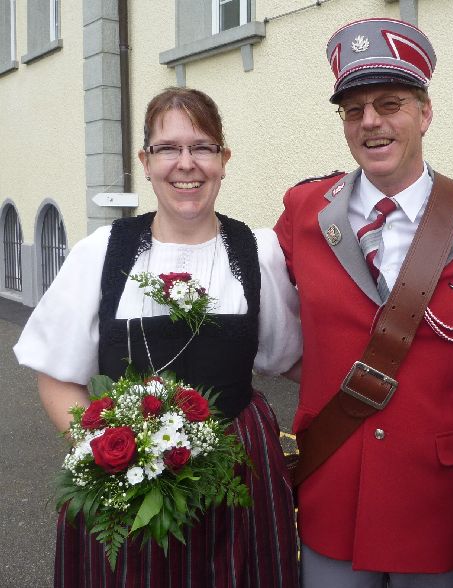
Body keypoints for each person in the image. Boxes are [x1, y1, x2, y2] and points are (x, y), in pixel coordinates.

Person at [14, 87, 301, 587]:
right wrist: (107, 457)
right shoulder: (101, 253)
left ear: (224, 160)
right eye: (168, 148)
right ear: (145, 162)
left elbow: (288, 357)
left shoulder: (259, 251)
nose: (186, 164)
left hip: (240, 473)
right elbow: (56, 375)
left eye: (202, 147)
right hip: (126, 486)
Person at [274, 18, 453, 588]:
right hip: (334, 477)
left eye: (390, 104)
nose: (371, 122)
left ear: (425, 113)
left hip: (439, 495)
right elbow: (274, 329)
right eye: (353, 110)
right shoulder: (303, 210)